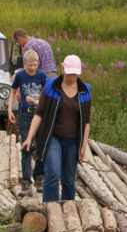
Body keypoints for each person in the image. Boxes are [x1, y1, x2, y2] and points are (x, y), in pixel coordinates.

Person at [22, 54, 92, 203]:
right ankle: (51, 209)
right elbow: (39, 113)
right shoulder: (51, 86)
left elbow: (86, 121)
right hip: (53, 137)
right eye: (69, 72)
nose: (71, 77)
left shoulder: (85, 90)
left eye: (75, 73)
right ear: (62, 68)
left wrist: (83, 146)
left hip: (73, 140)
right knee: (53, 172)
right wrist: (29, 137)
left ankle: (67, 211)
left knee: (68, 178)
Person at [8, 49, 45, 193]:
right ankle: (26, 180)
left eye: (35, 65)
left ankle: (39, 176)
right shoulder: (20, 76)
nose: (33, 68)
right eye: (30, 65)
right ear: (24, 64)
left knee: (40, 145)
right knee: (26, 145)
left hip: (39, 112)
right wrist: (10, 109)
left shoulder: (42, 76)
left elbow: (45, 95)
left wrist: (36, 101)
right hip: (25, 113)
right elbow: (13, 92)